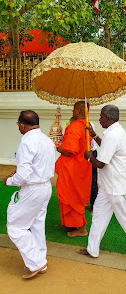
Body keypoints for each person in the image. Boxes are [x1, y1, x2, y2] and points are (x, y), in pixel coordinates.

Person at [77, 105, 126, 259]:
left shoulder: (113, 134)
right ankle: (92, 249)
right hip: (108, 185)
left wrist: (89, 156)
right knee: (98, 217)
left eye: (101, 116)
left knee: (125, 217)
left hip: (115, 186)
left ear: (108, 118)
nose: (99, 119)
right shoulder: (114, 131)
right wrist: (94, 136)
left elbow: (101, 163)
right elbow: (107, 148)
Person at [3, 110, 55, 279]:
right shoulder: (46, 140)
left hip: (32, 189)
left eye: (18, 124)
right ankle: (40, 261)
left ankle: (36, 263)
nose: (19, 127)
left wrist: (9, 181)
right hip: (45, 187)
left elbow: (24, 175)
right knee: (37, 225)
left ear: (23, 125)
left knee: (15, 226)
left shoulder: (26, 142)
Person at [55, 101, 92, 237]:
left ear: (77, 111)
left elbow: (69, 151)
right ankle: (73, 223)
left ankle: (81, 228)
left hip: (72, 169)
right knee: (76, 195)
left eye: (73, 109)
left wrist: (58, 147)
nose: (72, 112)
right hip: (81, 167)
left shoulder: (75, 127)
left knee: (71, 196)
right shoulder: (87, 126)